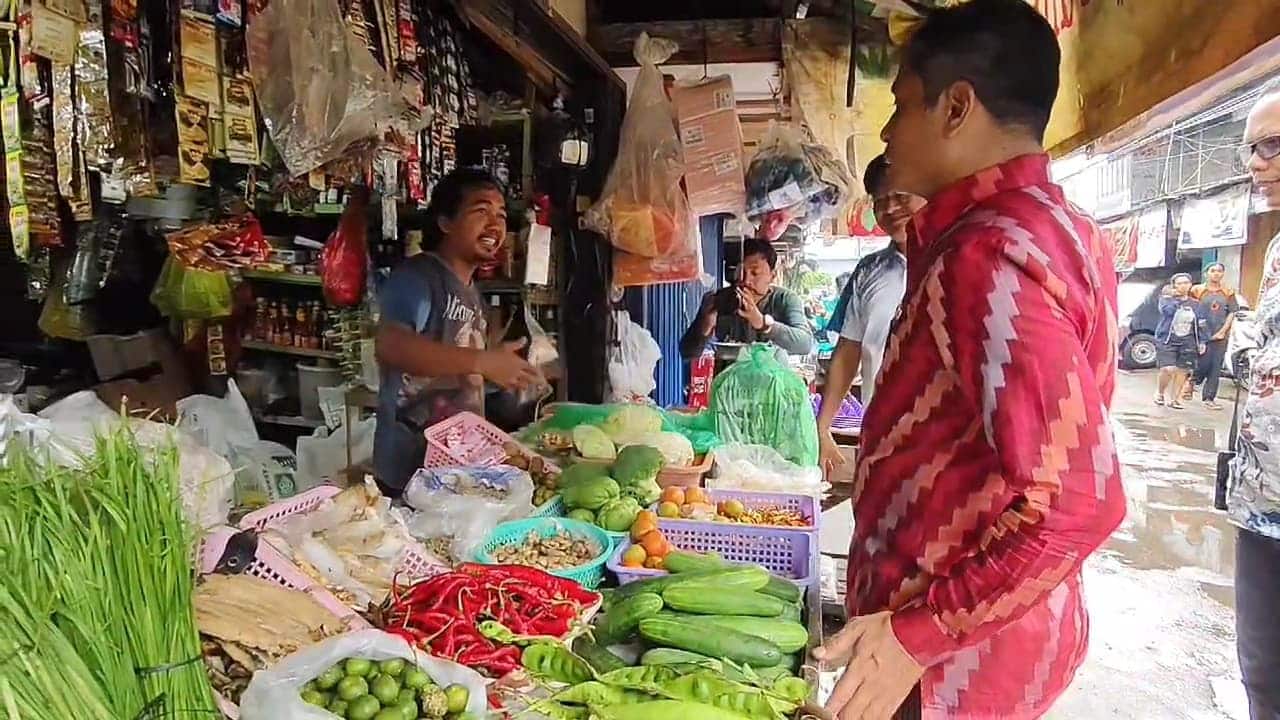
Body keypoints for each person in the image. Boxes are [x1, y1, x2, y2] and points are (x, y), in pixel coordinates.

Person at [813, 2, 1125, 718]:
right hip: (987, 645)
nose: (888, 133)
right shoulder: (1067, 229)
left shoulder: (985, 254)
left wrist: (919, 635)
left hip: (948, 669)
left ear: (956, 107)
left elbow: (1080, 501)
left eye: (901, 105)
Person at [373, 168, 541, 496]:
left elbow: (459, 366)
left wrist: (503, 372)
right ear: (445, 222)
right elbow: (391, 345)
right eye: (481, 211)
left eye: (501, 215)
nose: (495, 225)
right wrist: (482, 361)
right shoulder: (419, 277)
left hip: (456, 467)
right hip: (409, 471)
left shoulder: (471, 292)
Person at [817, 154, 926, 476]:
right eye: (880, 201)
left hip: (943, 440)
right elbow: (849, 349)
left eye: (900, 196)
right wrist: (822, 427)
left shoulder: (958, 258)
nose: (890, 209)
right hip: (881, 433)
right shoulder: (870, 270)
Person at [1229, 78, 1280, 720]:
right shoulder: (1275, 255)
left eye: (1273, 146)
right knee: (1263, 675)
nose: (1256, 165)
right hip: (1262, 507)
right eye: (1250, 150)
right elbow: (1254, 349)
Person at [679, 237, 814, 360]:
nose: (746, 280)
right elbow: (687, 352)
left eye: (755, 273)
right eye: (741, 272)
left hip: (772, 378)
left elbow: (805, 344)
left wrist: (763, 324)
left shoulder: (785, 300)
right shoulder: (719, 300)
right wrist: (705, 326)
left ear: (772, 276)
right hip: (730, 377)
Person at [1188, 262, 1239, 409]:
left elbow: (1232, 312)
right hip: (1200, 333)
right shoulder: (1197, 290)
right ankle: (1191, 381)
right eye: (1213, 271)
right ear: (1206, 273)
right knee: (1202, 363)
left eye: (1219, 271)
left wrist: (1223, 331)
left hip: (1220, 334)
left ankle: (1209, 398)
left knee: (1216, 366)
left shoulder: (1228, 292)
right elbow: (1190, 310)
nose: (1216, 273)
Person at [1153, 272, 1206, 409]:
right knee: (1168, 368)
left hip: (1188, 340)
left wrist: (1202, 341)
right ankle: (1160, 392)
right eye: (1180, 283)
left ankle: (1174, 399)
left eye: (1186, 283)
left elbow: (1201, 323)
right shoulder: (1166, 300)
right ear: (1174, 286)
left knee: (1183, 369)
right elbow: (1167, 312)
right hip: (1167, 339)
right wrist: (1176, 299)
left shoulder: (1196, 304)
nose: (1183, 286)